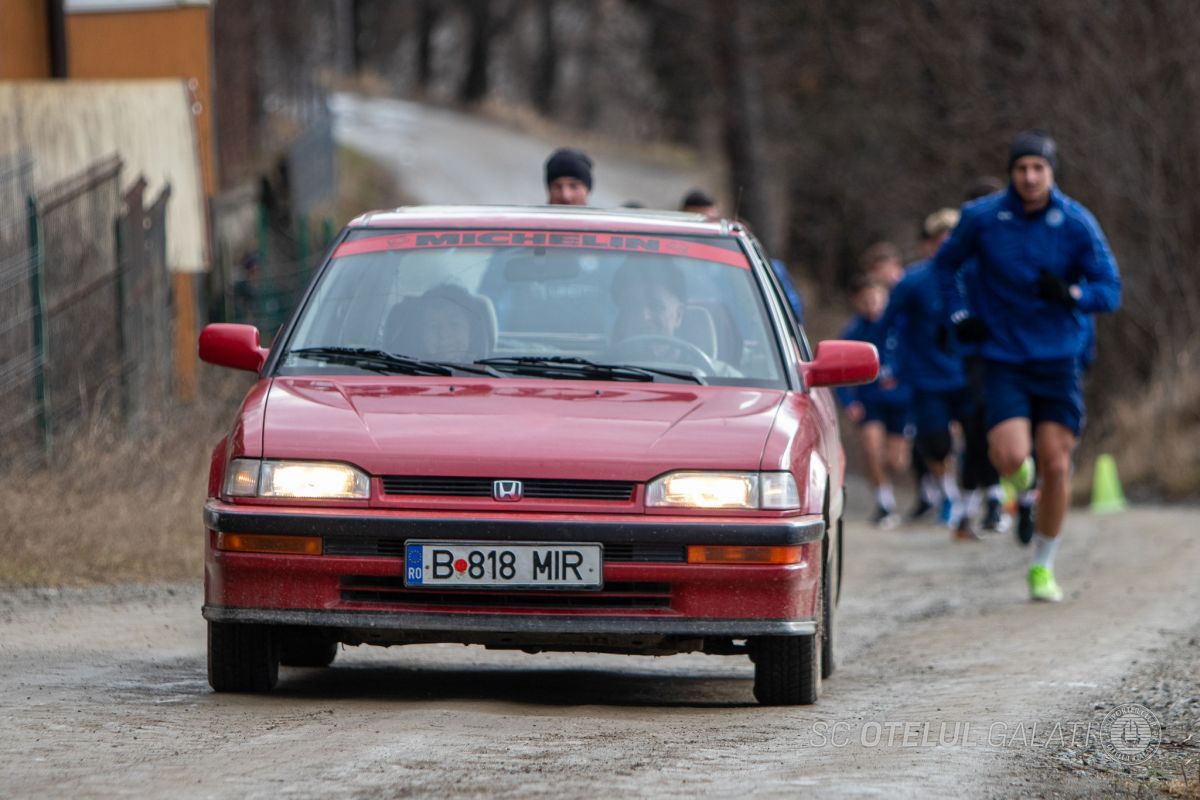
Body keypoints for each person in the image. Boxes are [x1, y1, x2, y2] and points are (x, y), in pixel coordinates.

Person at [934, 130, 1122, 601]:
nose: (1030, 177)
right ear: (1011, 173)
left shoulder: (1076, 222)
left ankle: (1043, 567)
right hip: (1003, 355)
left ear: (1051, 173)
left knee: (1058, 464)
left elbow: (1111, 289)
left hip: (1058, 356)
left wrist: (1074, 293)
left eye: (1039, 168)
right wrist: (959, 314)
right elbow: (943, 267)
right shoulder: (983, 218)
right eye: (1022, 168)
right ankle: (1021, 483)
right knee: (1012, 457)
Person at [880, 211, 976, 541]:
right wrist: (888, 362)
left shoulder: (973, 277)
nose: (946, 246)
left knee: (976, 437)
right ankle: (947, 493)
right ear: (930, 245)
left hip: (967, 373)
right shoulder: (913, 280)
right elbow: (887, 323)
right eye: (940, 240)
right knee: (936, 442)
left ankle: (980, 498)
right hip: (926, 377)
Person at [836, 277, 912, 527]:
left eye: (876, 299)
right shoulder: (854, 331)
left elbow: (917, 360)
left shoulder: (901, 325)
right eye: (865, 300)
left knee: (896, 461)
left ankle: (893, 487)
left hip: (900, 402)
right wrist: (849, 402)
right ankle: (884, 503)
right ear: (858, 302)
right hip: (870, 402)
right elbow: (839, 370)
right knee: (871, 450)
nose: (871, 305)